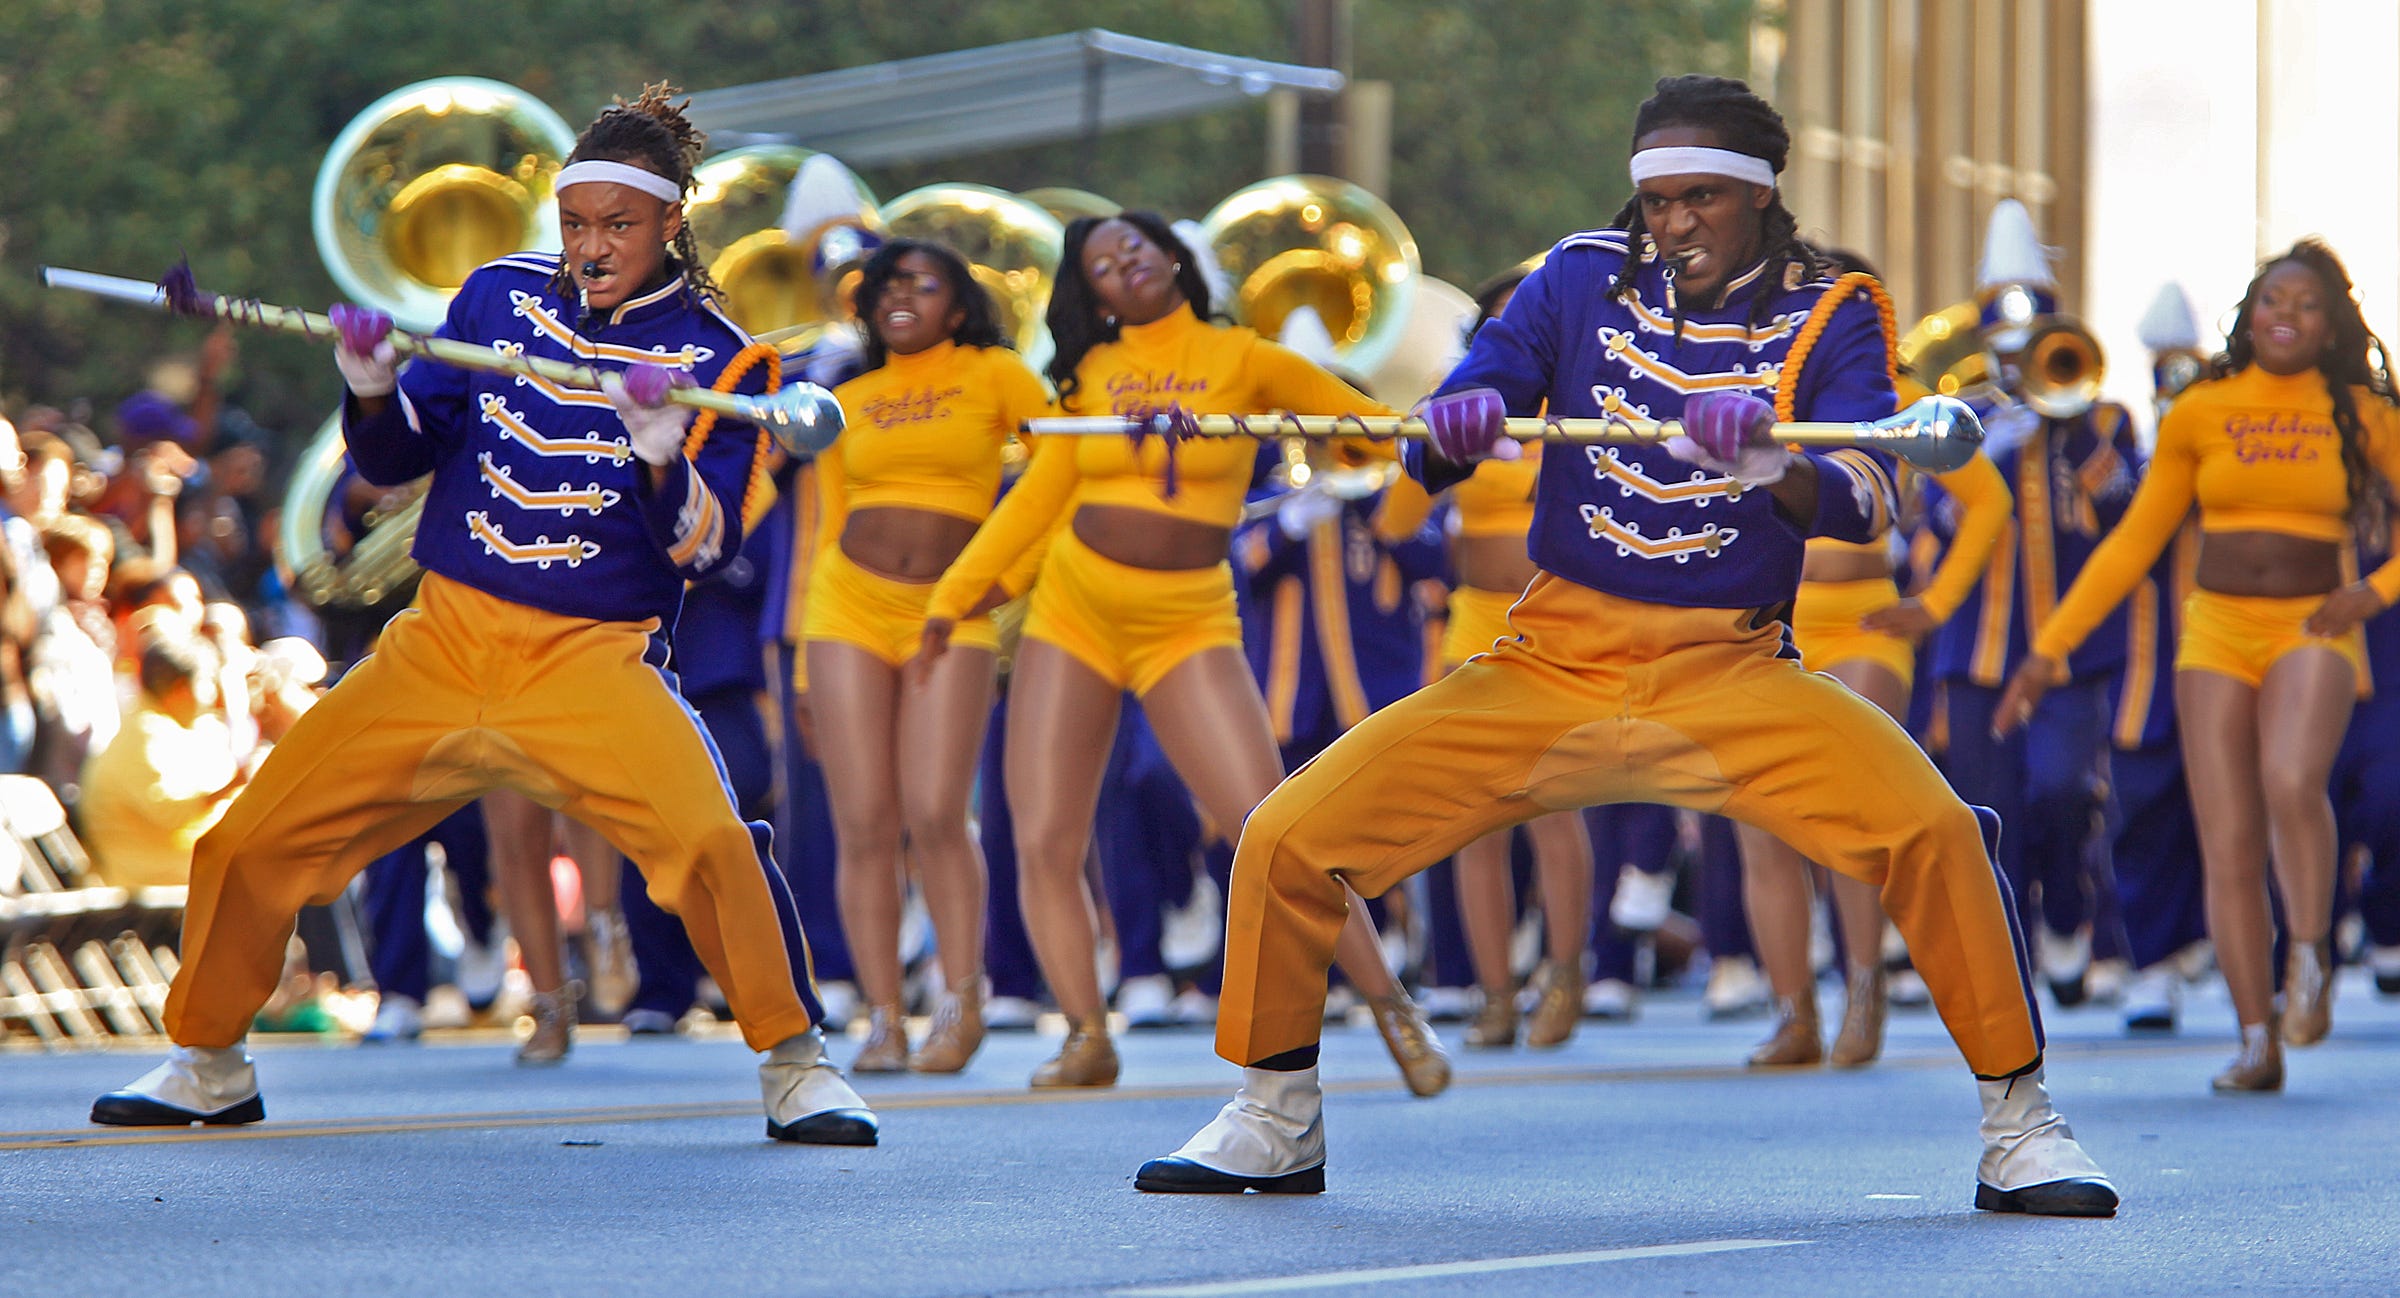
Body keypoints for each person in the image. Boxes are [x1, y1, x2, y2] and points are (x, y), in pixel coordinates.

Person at [1134, 75, 2115, 1217]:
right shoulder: (1577, 274)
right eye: (1657, 200)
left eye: (1701, 197)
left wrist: (1768, 465)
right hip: (1548, 658)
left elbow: (1869, 491)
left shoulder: (1836, 305)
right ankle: (1274, 1115)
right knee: (1289, 836)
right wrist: (1453, 434)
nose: (1674, 222)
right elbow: (1454, 422)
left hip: (1731, 668)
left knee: (1938, 831)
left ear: (1759, 196)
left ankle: (2022, 1126)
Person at [89, 84, 874, 1146]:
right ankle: (209, 1056)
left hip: (591, 659)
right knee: (248, 840)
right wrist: (369, 386)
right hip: (444, 640)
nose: (593, 247)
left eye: (620, 225)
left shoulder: (731, 364)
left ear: (671, 223)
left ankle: (796, 1061)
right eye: (578, 223)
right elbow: (397, 457)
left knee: (713, 842)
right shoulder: (496, 297)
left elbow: (707, 547)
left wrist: (656, 454)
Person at [918, 211, 1448, 1095]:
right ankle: (1087, 1034)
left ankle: (1393, 1008)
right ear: (1090, 293)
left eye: (1135, 244)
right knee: (1046, 837)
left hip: (1187, 618)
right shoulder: (1089, 375)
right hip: (1075, 610)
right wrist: (954, 598)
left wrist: (1400, 429)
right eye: (1100, 261)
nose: (1123, 261)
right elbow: (1037, 499)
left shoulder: (1245, 358)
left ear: (1171, 259)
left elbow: (1365, 436)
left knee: (1272, 828)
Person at [1997, 239, 2400, 1092]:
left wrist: (2372, 593)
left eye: (2307, 305)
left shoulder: (2367, 415)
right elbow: (2133, 542)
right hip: (2213, 629)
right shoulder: (2203, 412)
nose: (2285, 316)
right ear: (2250, 314)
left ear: (2333, 327)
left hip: (2315, 622)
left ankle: (2310, 950)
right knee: (2227, 839)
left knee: (2293, 782)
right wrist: (2047, 651)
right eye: (2272, 301)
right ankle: (2257, 1039)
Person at [1738, 246, 2016, 1069]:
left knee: (1845, 813)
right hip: (1765, 629)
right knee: (1760, 825)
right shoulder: (1754, 395)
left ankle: (1865, 988)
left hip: (1865, 628)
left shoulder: (1895, 399)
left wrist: (1931, 606)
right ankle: (1795, 1013)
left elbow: (1988, 500)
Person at [808, 238, 1052, 1074]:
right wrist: (804, 665)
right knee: (865, 822)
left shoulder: (995, 375)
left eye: (924, 283)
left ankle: (961, 999)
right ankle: (882, 1017)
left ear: (958, 304)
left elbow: (1067, 470)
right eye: (886, 285)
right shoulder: (851, 395)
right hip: (845, 605)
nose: (900, 296)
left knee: (938, 813)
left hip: (952, 614)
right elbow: (827, 520)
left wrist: (1004, 582)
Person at [1928, 202, 2144, 1008]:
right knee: (1991, 813)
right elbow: (1938, 524)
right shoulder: (1968, 420)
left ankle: (2069, 916)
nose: (2025, 362)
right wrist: (1992, 449)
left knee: (2060, 790)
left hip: (2070, 654)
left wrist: (2071, 423)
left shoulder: (2105, 420)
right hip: (1976, 650)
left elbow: (2122, 507)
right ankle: (2008, 965)